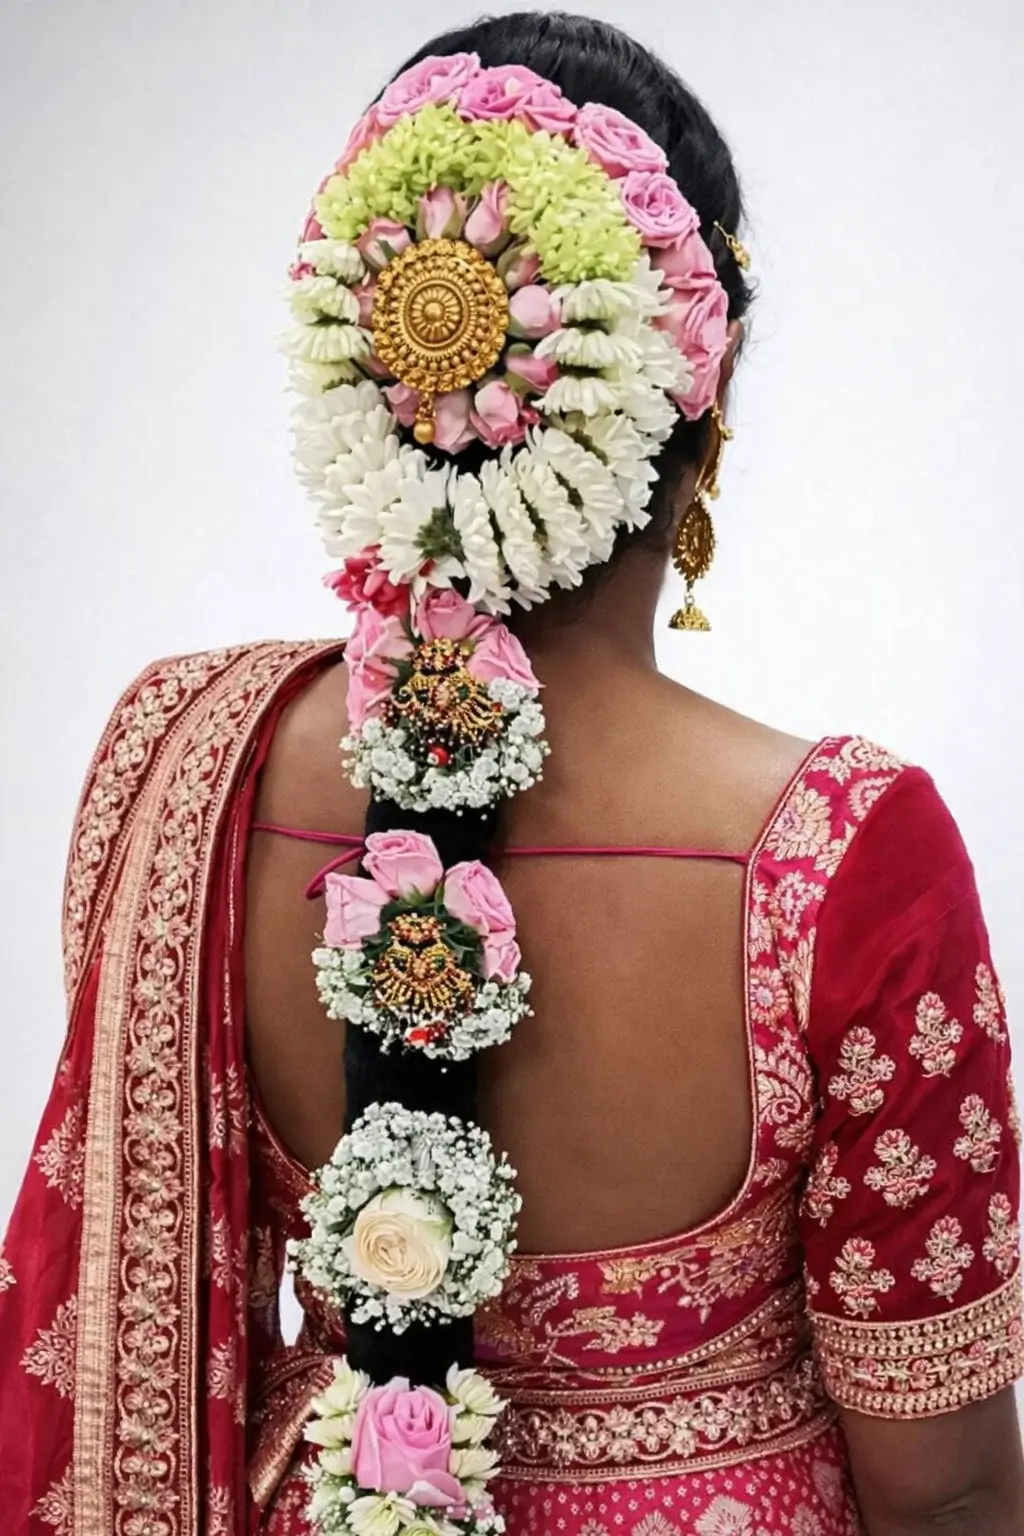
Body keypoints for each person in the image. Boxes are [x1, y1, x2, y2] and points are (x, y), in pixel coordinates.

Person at [1, 12, 1022, 1535]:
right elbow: (942, 1491)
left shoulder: (184, 767)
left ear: (370, 377)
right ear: (701, 404)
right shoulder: (845, 851)